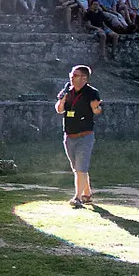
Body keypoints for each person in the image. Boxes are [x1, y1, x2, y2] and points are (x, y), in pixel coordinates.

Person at [55, 64, 102, 209]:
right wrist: (62, 100)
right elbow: (59, 110)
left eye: (75, 75)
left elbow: (98, 110)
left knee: (81, 167)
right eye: (71, 74)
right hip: (69, 136)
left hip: (85, 135)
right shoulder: (67, 90)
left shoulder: (92, 93)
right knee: (77, 168)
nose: (71, 77)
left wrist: (95, 108)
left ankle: (77, 198)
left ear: (84, 78)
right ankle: (87, 194)